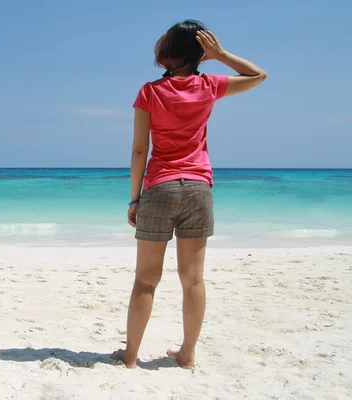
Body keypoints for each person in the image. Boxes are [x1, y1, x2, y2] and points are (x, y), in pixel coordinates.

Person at [112, 20, 267, 369]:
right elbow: (258, 76)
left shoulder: (149, 93)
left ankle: (131, 355)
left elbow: (140, 150)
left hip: (159, 187)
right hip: (198, 188)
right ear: (201, 54)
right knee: (193, 278)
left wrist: (134, 199)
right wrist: (221, 55)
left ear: (168, 53)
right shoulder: (210, 85)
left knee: (146, 279)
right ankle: (187, 354)